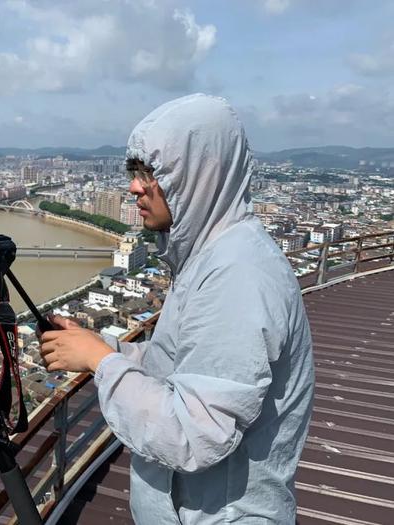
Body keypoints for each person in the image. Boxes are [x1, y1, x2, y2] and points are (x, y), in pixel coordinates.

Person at [39, 93, 314, 524]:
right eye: (135, 172)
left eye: (152, 172)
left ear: (198, 177)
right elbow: (182, 366)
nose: (135, 187)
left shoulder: (237, 275)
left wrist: (101, 361)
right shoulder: (213, 256)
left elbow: (195, 433)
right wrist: (104, 347)